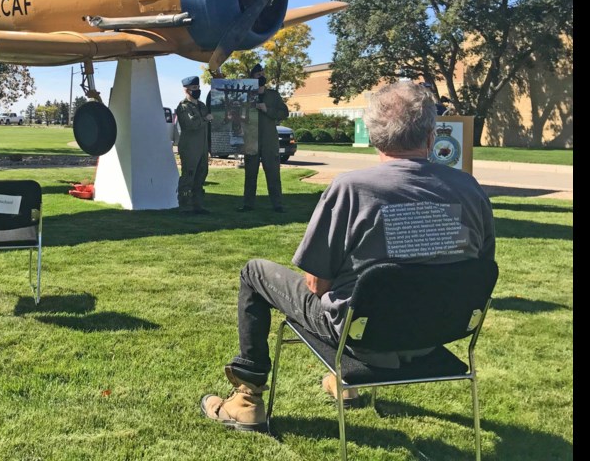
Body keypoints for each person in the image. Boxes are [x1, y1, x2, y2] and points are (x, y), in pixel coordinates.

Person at [200, 81, 496, 432]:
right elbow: (479, 268)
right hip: (439, 331)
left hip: (364, 337)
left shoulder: (354, 189)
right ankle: (345, 383)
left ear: (373, 136)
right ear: (431, 136)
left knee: (255, 272)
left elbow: (316, 284)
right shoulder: (469, 188)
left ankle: (247, 401)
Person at [237, 63, 289, 213]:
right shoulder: (245, 96)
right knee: (250, 174)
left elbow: (284, 113)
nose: (262, 77)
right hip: (251, 140)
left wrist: (268, 109)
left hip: (269, 140)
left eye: (263, 74)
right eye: (258, 75)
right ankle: (248, 204)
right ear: (252, 78)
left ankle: (277, 204)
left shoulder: (273, 95)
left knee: (273, 173)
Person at [175, 76, 213, 214]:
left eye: (198, 87)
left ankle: (198, 205)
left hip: (202, 147)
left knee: (201, 174)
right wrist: (205, 119)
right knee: (188, 177)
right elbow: (190, 124)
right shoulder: (183, 107)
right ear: (187, 90)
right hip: (190, 147)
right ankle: (184, 206)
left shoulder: (201, 105)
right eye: (194, 88)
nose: (197, 90)